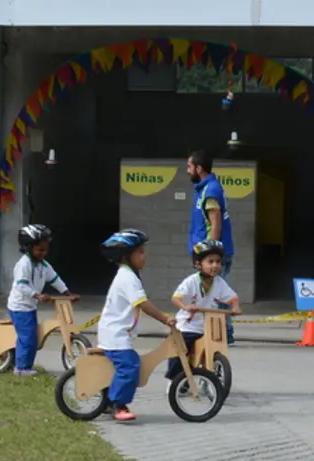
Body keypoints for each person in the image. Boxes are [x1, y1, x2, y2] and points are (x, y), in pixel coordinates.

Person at [97, 229, 176, 423]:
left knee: (122, 366)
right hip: (115, 334)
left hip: (116, 332)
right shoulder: (127, 278)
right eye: (140, 252)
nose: (144, 256)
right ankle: (118, 405)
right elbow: (143, 304)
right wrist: (165, 319)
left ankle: (109, 400)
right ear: (126, 256)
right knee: (130, 365)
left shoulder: (128, 275)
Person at [6, 224, 79, 377]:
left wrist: (67, 293)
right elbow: (21, 286)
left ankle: (26, 366)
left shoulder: (43, 265)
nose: (43, 253)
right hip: (19, 307)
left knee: (32, 336)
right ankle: (21, 369)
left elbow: (55, 279)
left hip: (30, 306)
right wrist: (37, 295)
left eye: (46, 249)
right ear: (28, 247)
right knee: (28, 337)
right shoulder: (24, 264)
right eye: (40, 249)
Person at [167, 240, 240, 382]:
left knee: (218, 349)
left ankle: (212, 374)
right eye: (210, 261)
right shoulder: (191, 281)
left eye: (218, 262)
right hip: (189, 325)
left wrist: (235, 307)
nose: (215, 266)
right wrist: (185, 307)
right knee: (180, 349)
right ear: (198, 264)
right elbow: (176, 298)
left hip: (210, 326)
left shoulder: (219, 282)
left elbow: (232, 298)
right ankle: (174, 379)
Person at [186, 149, 235, 344]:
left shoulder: (211, 190)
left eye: (189, 166)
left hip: (211, 253)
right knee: (214, 292)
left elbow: (215, 224)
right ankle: (223, 333)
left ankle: (226, 334)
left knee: (217, 294)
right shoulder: (203, 188)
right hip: (206, 253)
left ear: (199, 168)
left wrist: (210, 256)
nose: (187, 170)